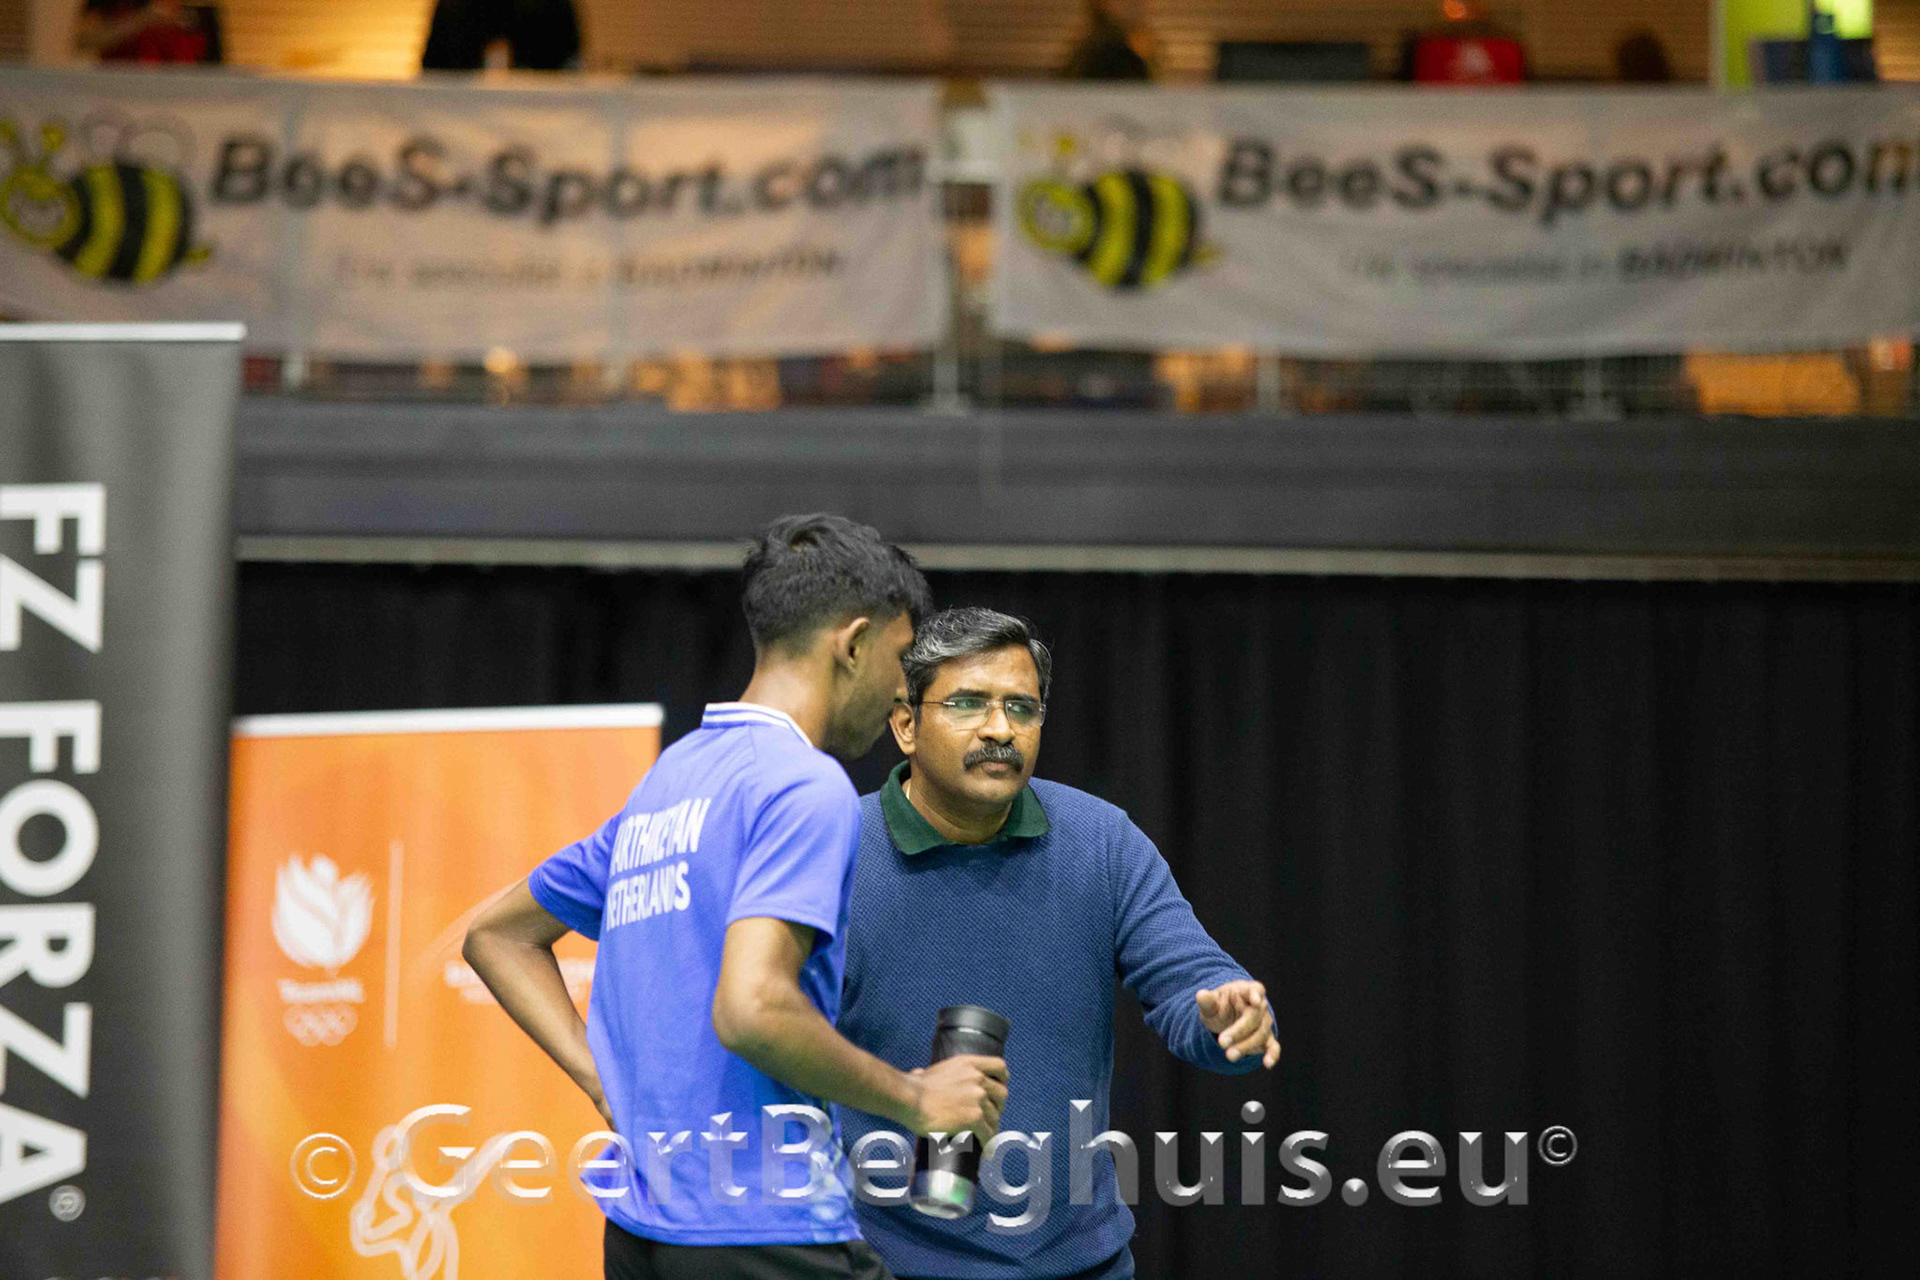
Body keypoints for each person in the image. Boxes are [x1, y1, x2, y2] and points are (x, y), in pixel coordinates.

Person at [464, 515, 1007, 1280]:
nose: (900, 694)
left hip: (643, 1235)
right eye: (900, 660)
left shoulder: (670, 781)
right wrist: (917, 1101)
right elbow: (752, 1007)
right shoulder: (805, 786)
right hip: (762, 1230)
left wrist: (603, 1081)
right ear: (853, 645)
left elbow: (496, 935)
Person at [836, 607, 1279, 1280]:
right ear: (905, 725)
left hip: (1081, 1265)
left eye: (1022, 707)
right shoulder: (833, 851)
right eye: (968, 703)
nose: (1000, 729)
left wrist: (1231, 1020)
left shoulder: (1101, 841)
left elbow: (1195, 985)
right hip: (884, 1264)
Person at [76, 1, 221, 64]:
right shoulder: (110, 4)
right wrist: (143, 19)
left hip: (175, 94)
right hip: (121, 89)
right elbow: (83, 40)